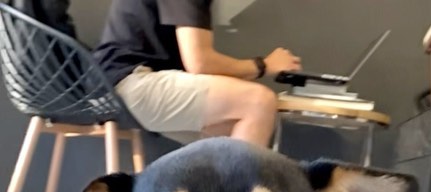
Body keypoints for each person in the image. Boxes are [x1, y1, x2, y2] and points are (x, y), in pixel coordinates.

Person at [93, 0, 301, 146]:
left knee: (233, 129)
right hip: (126, 83)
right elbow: (200, 62)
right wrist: (263, 65)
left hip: (108, 88)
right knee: (258, 101)